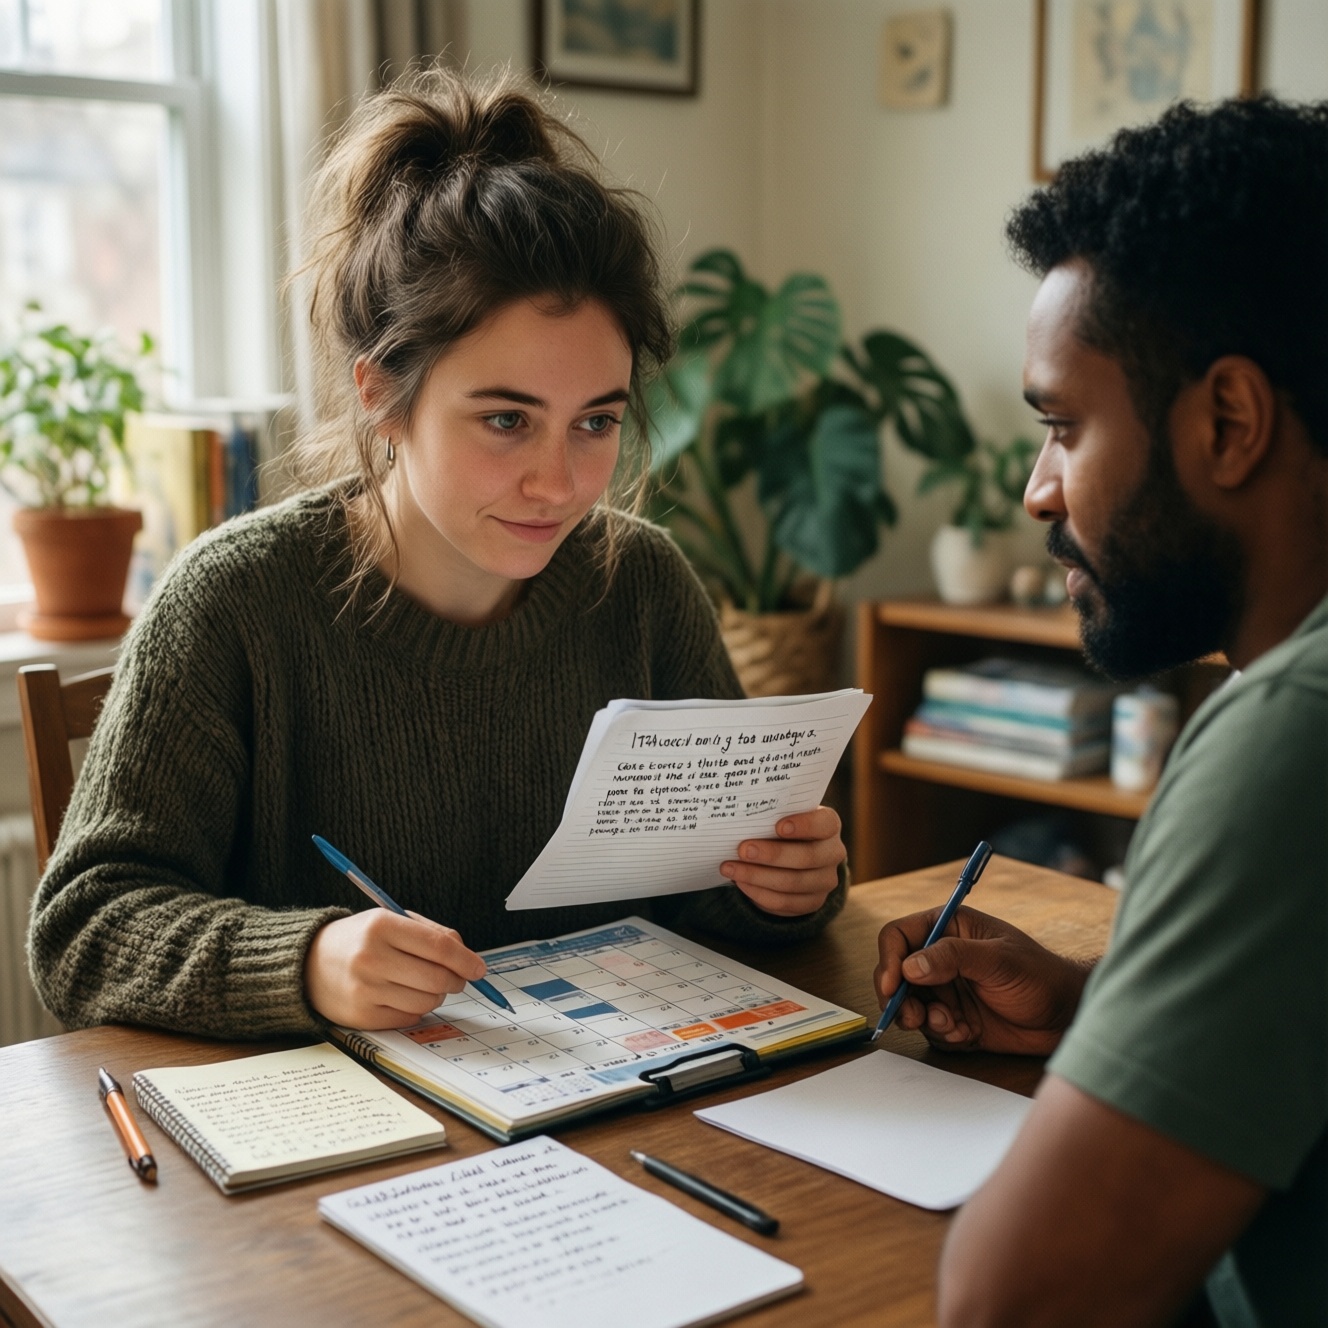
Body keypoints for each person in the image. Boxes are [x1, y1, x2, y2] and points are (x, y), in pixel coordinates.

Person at [28, 69, 847, 1041]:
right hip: (341, 1151)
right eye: (505, 419)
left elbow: (706, 890)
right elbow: (83, 929)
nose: (558, 481)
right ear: (380, 393)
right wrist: (307, 961)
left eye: (595, 422)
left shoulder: (644, 589)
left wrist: (782, 883)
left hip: (603, 1118)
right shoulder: (235, 603)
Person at [875, 97, 1326, 1327]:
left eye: (1062, 427)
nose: (1035, 491)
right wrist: (1093, 1005)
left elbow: (1012, 1299)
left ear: (1225, 422)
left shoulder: (1292, 729)